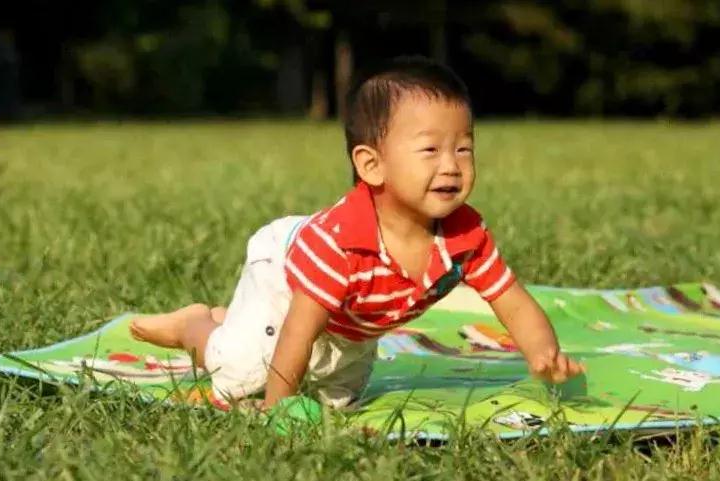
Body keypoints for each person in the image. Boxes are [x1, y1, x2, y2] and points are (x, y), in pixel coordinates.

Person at [130, 56, 585, 410]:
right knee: (242, 376)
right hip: (287, 281)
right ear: (371, 164)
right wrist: (277, 409)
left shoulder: (466, 236)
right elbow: (299, 330)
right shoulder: (341, 244)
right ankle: (196, 326)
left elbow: (513, 302)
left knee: (338, 403)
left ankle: (237, 319)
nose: (451, 164)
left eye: (464, 148)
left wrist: (547, 358)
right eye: (430, 149)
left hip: (351, 319)